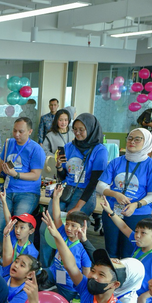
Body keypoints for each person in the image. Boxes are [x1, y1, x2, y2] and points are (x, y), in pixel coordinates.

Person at [40, 113, 108, 267]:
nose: (77, 133)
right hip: (66, 190)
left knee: (69, 232)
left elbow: (93, 183)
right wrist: (58, 166)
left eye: (81, 129)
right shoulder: (68, 147)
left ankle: (67, 270)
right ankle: (45, 269)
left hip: (85, 193)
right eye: (75, 129)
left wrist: (78, 207)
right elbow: (63, 175)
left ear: (90, 129)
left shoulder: (100, 150)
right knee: (46, 228)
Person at [97, 128, 152, 258]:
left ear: (147, 142)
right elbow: (100, 186)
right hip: (113, 211)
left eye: (137, 139)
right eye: (130, 138)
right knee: (111, 251)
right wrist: (115, 194)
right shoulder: (117, 161)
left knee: (130, 252)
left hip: (138, 213)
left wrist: (136, 204)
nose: (132, 141)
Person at [100, 202, 152, 303]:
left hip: (142, 298)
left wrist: (145, 295)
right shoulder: (138, 246)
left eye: (143, 233)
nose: (137, 236)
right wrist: (111, 212)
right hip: (128, 290)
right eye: (136, 232)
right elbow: (124, 227)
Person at [0, 117, 45, 241]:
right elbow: (0, 167)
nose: (17, 134)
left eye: (21, 131)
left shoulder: (36, 149)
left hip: (27, 193)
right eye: (15, 130)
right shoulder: (8, 143)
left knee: (18, 228)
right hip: (7, 191)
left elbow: (35, 175)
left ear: (30, 131)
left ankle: (17, 258)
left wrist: (15, 174)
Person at [45, 185, 92, 301]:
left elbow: (86, 271)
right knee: (35, 275)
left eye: (73, 226)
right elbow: (57, 217)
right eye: (67, 224)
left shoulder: (84, 248)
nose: (69, 228)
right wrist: (56, 198)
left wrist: (82, 290)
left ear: (82, 228)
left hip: (69, 285)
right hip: (53, 273)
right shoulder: (63, 234)